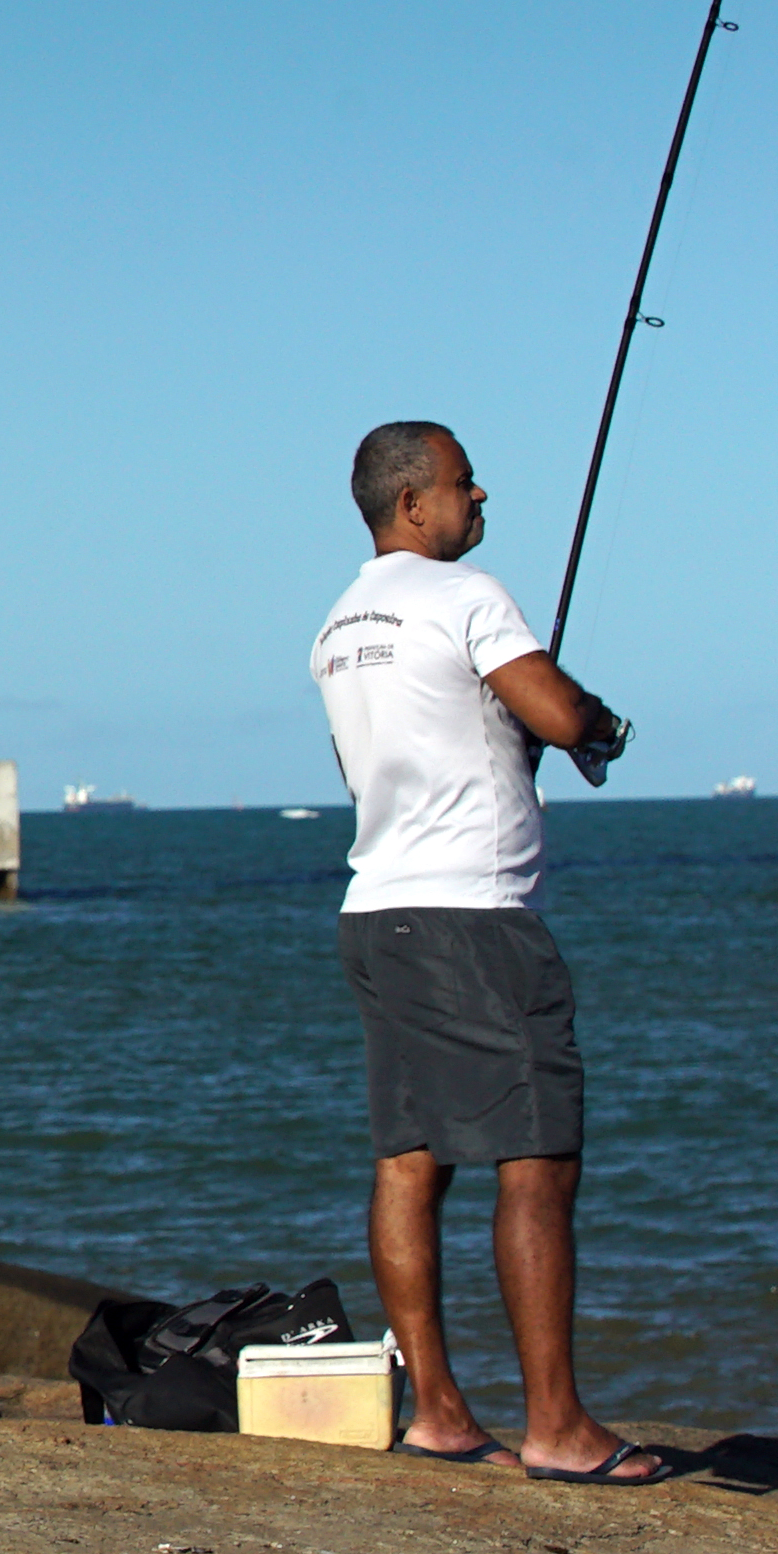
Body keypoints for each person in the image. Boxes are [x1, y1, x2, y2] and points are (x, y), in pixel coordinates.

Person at [309, 420, 664, 1485]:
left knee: (410, 1159)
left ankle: (440, 1413)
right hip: (478, 918)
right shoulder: (466, 596)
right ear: (412, 505)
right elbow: (555, 713)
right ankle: (555, 1426)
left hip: (377, 912)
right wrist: (600, 727)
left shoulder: (334, 625)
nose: (479, 501)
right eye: (464, 486)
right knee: (537, 1158)